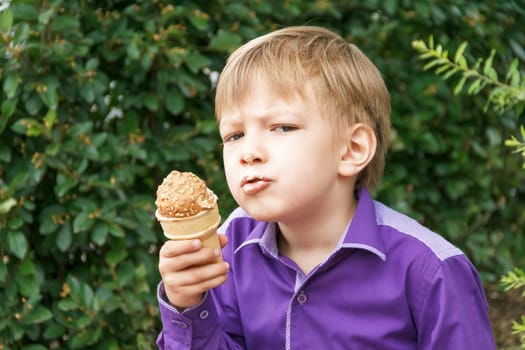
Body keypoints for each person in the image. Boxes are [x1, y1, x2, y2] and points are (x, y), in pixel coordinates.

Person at [156, 25, 496, 349]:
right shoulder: (229, 250)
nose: (249, 152)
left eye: (282, 127)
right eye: (234, 135)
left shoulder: (431, 271)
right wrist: (187, 305)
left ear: (352, 149)